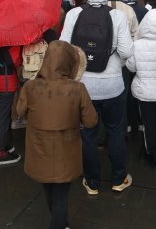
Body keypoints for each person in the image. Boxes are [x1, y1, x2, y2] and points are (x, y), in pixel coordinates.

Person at [60, 0, 134, 195]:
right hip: (113, 86)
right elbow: (127, 52)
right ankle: (119, 178)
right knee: (115, 132)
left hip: (84, 87)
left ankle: (91, 182)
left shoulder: (74, 14)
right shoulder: (117, 16)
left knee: (88, 135)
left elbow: (63, 47)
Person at [16, 41, 98, 229]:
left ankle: (61, 223)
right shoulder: (77, 89)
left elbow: (19, 112)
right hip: (66, 153)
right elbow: (91, 121)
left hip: (39, 150)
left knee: (49, 192)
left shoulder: (30, 86)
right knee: (61, 196)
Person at [125, 9, 156, 169]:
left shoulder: (137, 45)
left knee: (148, 122)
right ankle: (151, 147)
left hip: (143, 91)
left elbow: (131, 68)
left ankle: (152, 153)